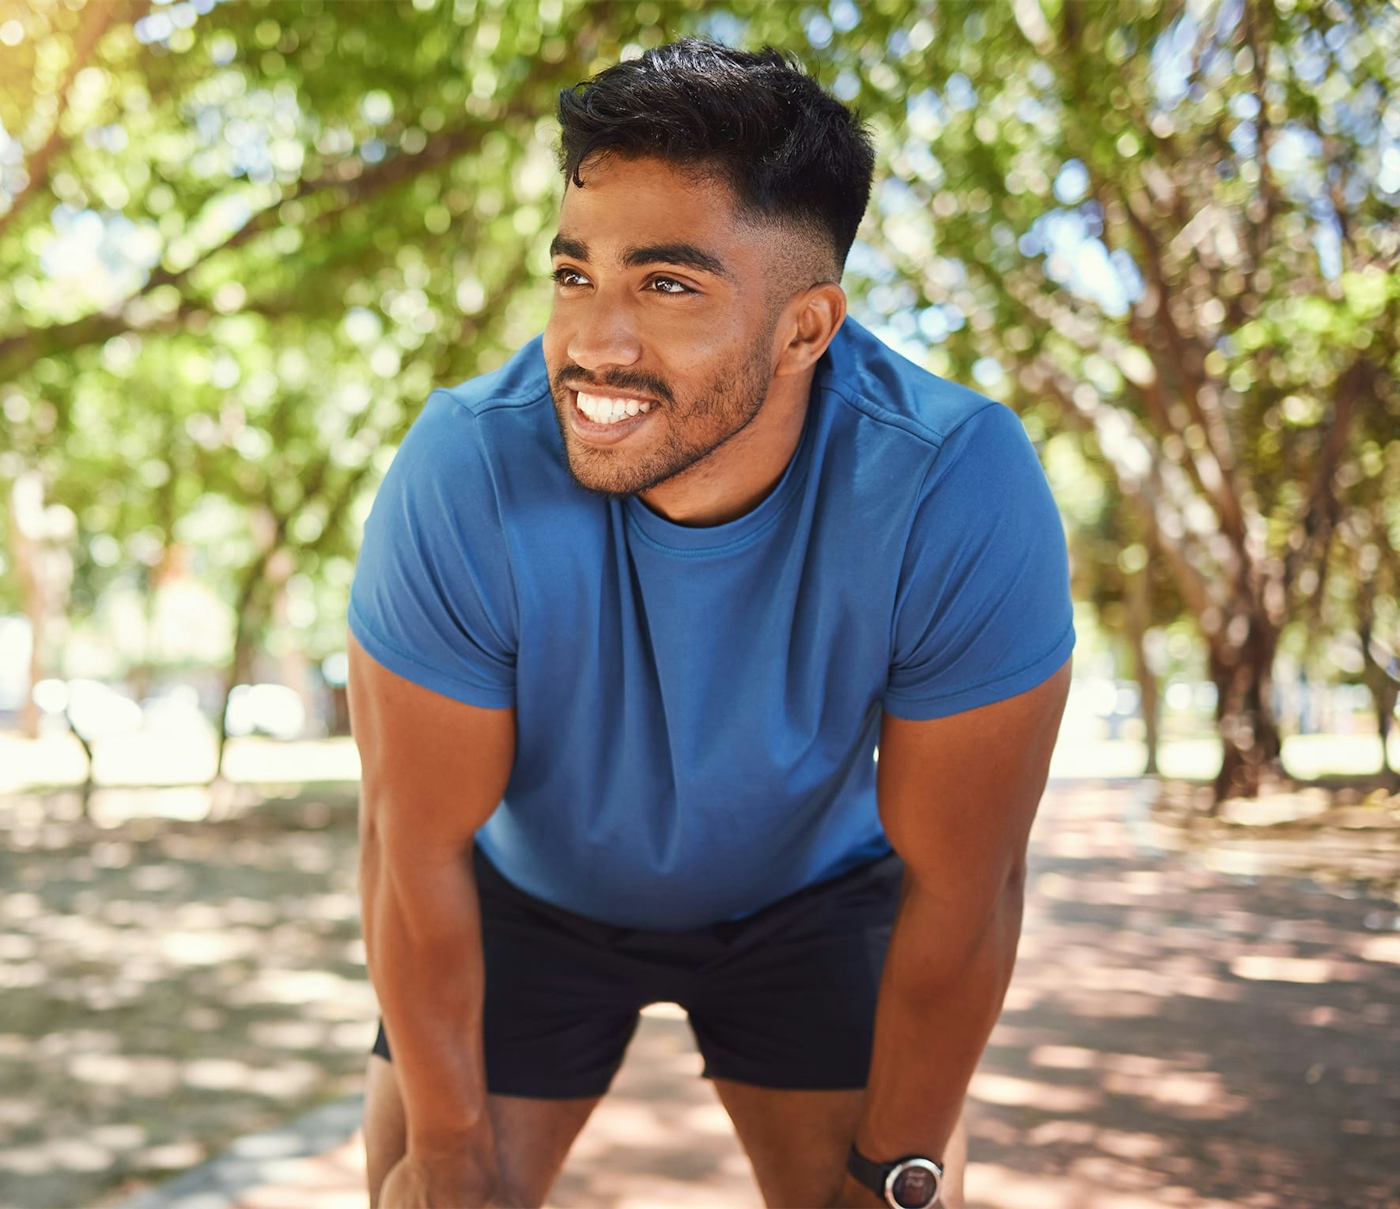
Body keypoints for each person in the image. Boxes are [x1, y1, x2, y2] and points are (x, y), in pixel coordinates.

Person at [347, 38, 1073, 1209]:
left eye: (666, 286)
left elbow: (966, 887)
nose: (593, 343)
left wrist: (893, 1170)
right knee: (419, 1194)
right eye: (574, 274)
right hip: (526, 896)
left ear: (805, 330)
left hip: (811, 900)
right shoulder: (464, 465)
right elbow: (409, 846)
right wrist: (447, 1152)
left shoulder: (951, 481)